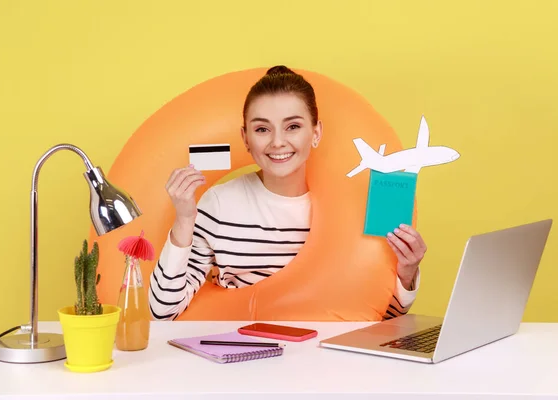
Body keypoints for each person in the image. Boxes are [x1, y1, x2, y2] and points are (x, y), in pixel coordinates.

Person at [148, 66, 428, 321]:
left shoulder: (355, 207)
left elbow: (380, 313)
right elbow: (163, 312)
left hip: (326, 361)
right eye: (262, 129)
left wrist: (407, 271)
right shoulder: (219, 204)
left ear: (316, 133)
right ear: (245, 138)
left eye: (293, 126)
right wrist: (184, 220)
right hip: (242, 354)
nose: (278, 142)